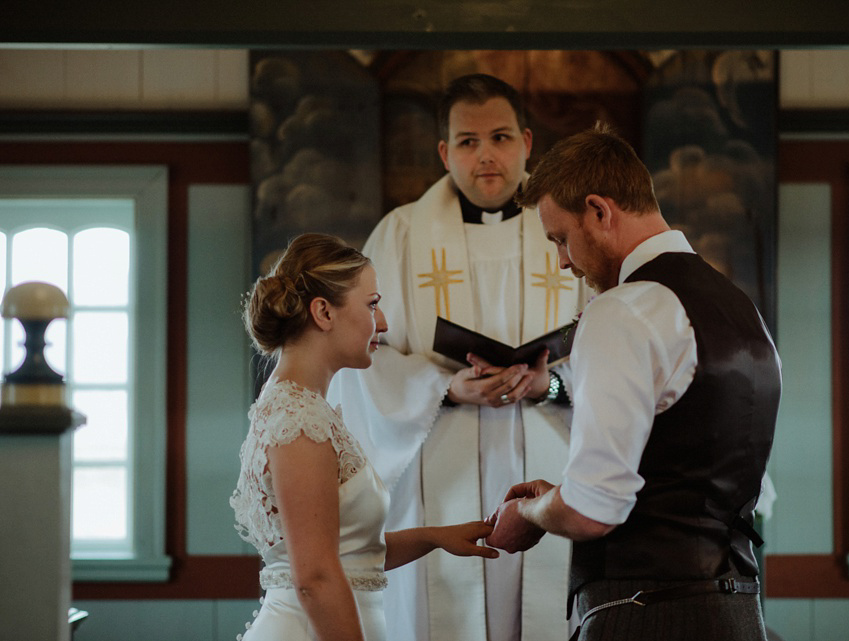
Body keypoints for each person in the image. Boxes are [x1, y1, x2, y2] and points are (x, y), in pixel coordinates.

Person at [485, 123, 781, 641]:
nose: (562, 261)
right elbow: (683, 476)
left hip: (647, 614)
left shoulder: (622, 310)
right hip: (738, 614)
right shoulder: (738, 307)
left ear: (599, 211)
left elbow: (591, 512)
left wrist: (529, 512)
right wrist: (561, 491)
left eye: (560, 238)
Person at [328, 74, 592, 641]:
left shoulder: (569, 230)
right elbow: (356, 361)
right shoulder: (400, 236)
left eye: (499, 138)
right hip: (435, 471)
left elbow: (610, 346)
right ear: (446, 152)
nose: (485, 155)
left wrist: (548, 384)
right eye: (468, 142)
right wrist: (444, 388)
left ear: (526, 143)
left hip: (551, 462)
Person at [230, 233, 499, 641]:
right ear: (323, 312)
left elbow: (346, 553)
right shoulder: (299, 421)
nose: (384, 322)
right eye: (372, 305)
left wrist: (434, 536)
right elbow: (316, 578)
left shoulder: (299, 406)